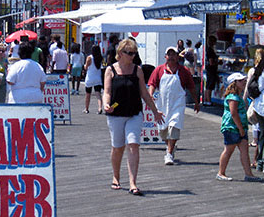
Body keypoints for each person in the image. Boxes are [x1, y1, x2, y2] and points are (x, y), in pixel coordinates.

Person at [103, 38, 164, 195]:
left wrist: (155, 111)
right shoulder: (110, 70)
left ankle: (132, 183)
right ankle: (116, 177)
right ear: (120, 53)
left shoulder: (137, 70)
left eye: (134, 53)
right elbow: (107, 91)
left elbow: (144, 93)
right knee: (118, 147)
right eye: (129, 53)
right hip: (116, 114)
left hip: (134, 113)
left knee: (133, 144)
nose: (132, 56)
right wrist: (106, 104)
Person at [148, 46, 200, 166]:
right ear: (165, 56)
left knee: (174, 127)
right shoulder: (159, 70)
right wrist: (150, 94)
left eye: (173, 55)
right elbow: (152, 83)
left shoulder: (184, 71)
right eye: (169, 54)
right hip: (162, 104)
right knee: (163, 131)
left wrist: (196, 102)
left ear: (177, 57)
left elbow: (191, 87)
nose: (171, 57)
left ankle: (169, 153)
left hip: (177, 104)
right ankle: (170, 146)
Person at [216, 73, 261, 181]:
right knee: (228, 150)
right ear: (234, 83)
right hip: (232, 127)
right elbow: (233, 113)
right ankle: (221, 173)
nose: (244, 82)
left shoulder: (238, 96)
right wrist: (240, 128)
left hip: (240, 127)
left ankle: (248, 174)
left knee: (244, 150)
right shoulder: (233, 97)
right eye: (240, 81)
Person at [244, 48, 264, 153]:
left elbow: (248, 86)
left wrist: (244, 98)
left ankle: (255, 140)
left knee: (254, 120)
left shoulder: (252, 70)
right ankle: (260, 140)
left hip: (253, 97)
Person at [83, 45, 103, 114]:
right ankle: (100, 108)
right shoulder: (100, 57)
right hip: (97, 77)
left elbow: (86, 67)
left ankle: (86, 108)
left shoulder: (89, 57)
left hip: (90, 77)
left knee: (88, 94)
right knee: (98, 94)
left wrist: (84, 66)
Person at [203, 35, 219, 106]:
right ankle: (209, 100)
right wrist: (218, 62)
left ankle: (206, 100)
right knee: (210, 86)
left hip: (208, 69)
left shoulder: (208, 49)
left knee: (207, 86)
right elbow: (211, 62)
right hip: (211, 70)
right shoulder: (210, 51)